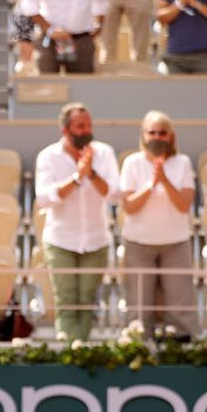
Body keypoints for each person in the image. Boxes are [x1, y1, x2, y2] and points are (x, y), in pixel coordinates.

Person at [34, 102, 120, 341]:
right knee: (66, 299)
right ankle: (69, 350)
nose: (87, 131)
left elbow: (114, 194)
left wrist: (91, 173)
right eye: (81, 126)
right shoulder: (48, 157)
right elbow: (44, 198)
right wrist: (77, 177)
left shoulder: (104, 153)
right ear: (65, 130)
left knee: (87, 300)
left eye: (89, 125)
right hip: (61, 239)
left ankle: (82, 352)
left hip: (96, 239)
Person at [118, 111, 199, 340]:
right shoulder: (132, 163)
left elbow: (184, 205)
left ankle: (180, 345)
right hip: (138, 244)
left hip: (175, 243)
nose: (156, 137)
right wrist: (152, 183)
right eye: (151, 132)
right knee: (139, 304)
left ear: (170, 136)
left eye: (161, 133)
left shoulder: (182, 163)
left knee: (179, 302)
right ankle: (140, 346)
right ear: (143, 135)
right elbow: (129, 206)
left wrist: (164, 179)